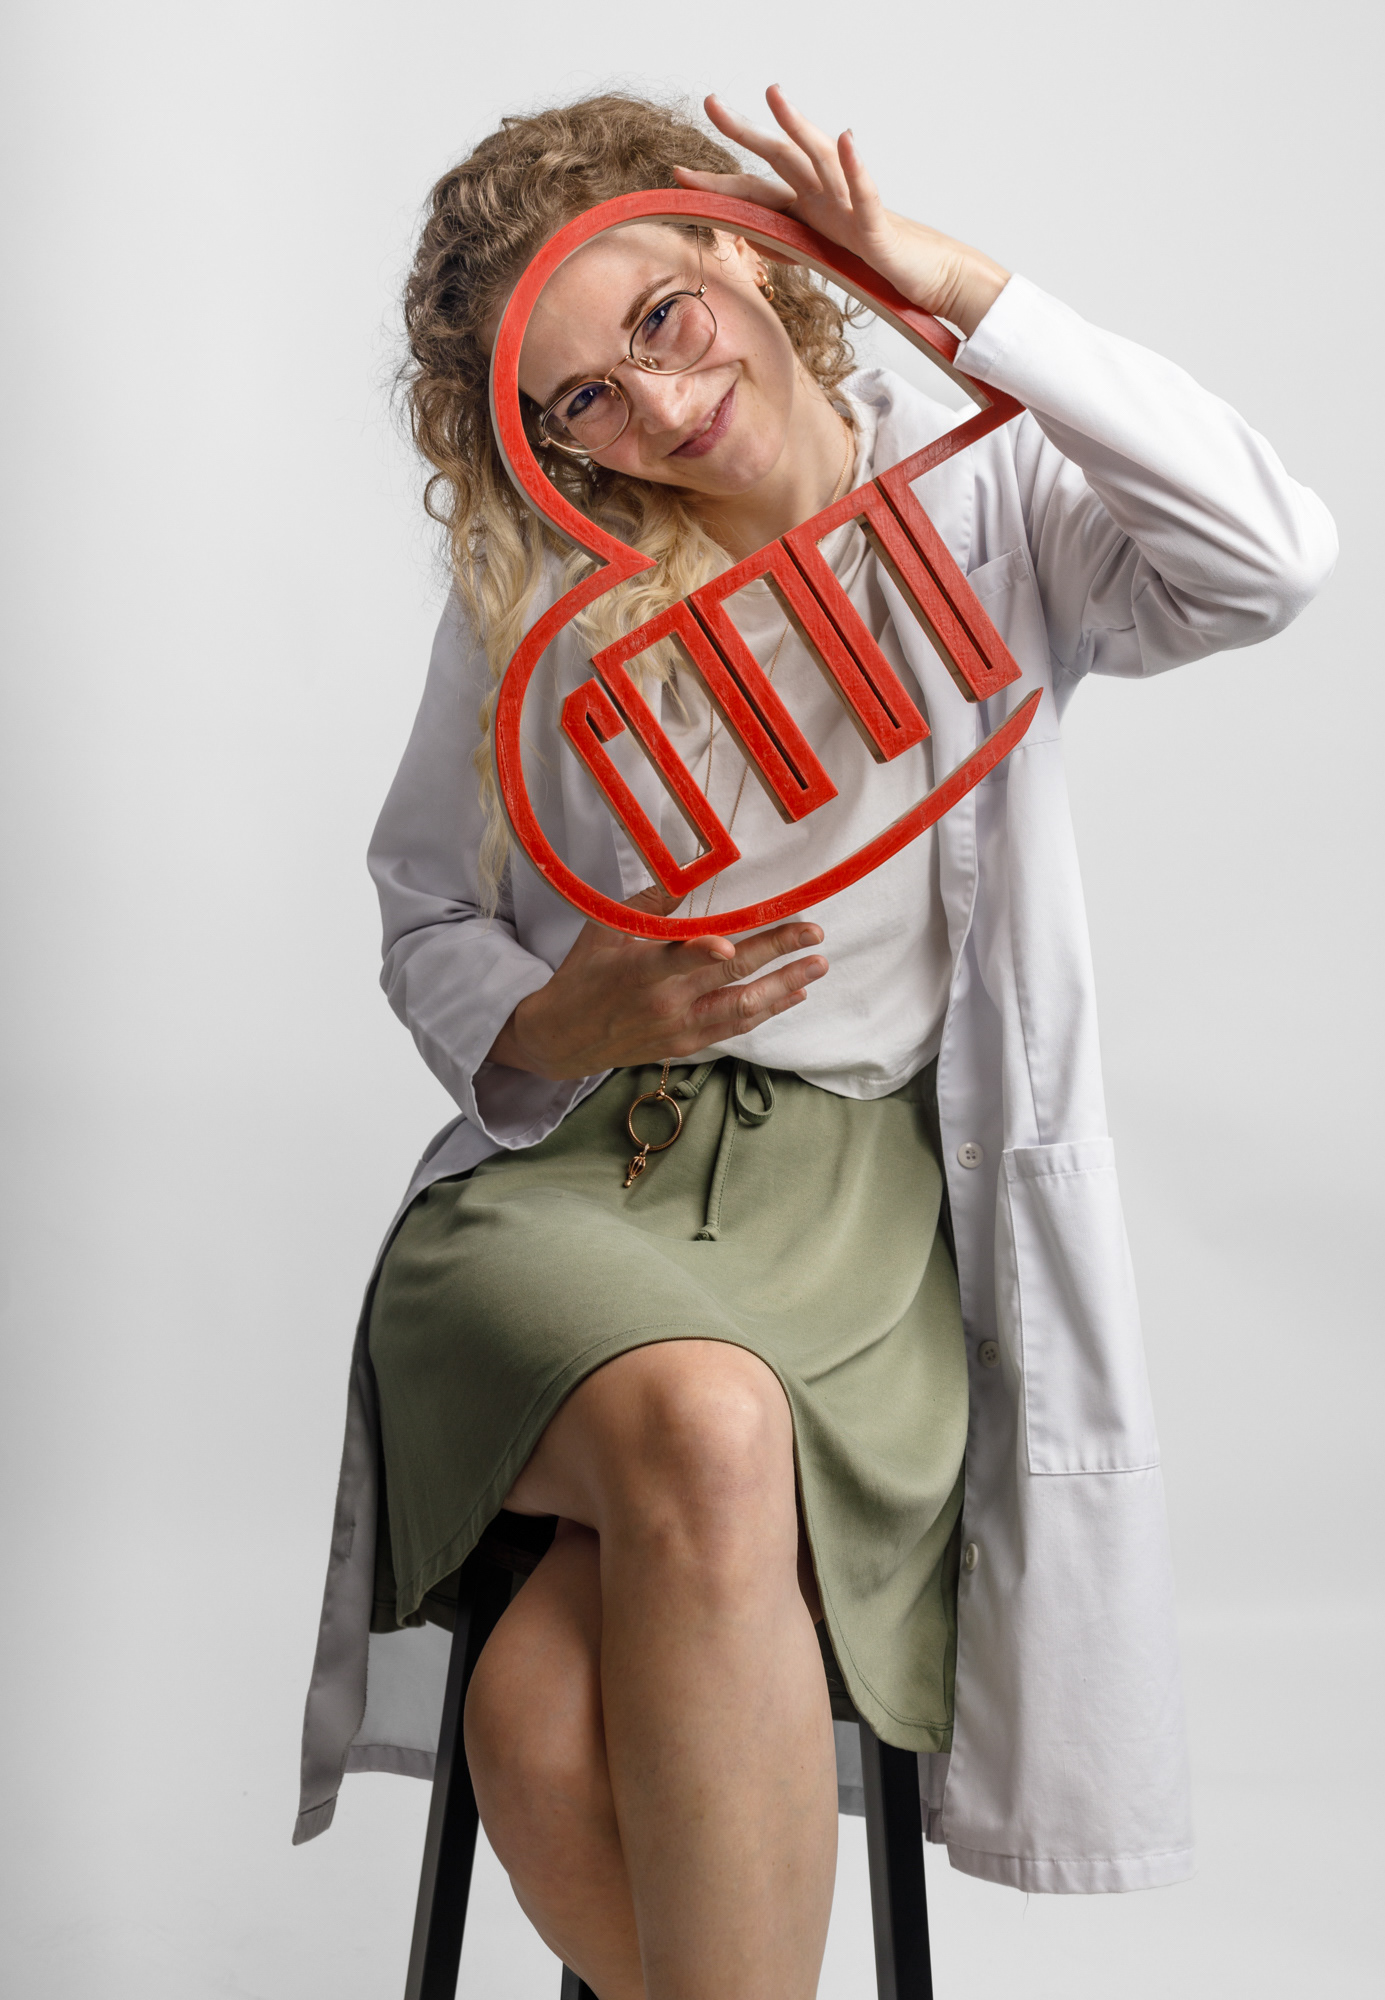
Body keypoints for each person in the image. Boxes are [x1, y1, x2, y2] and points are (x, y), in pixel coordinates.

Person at [295, 87, 1336, 1999]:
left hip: (860, 1226)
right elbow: (422, 910)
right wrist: (566, 1011)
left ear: (742, 251)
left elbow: (1267, 555)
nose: (658, 405)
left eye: (662, 319)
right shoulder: (548, 592)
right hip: (576, 1184)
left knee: (538, 1708)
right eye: (584, 399)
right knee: (704, 1421)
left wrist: (956, 288)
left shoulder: (988, 507)